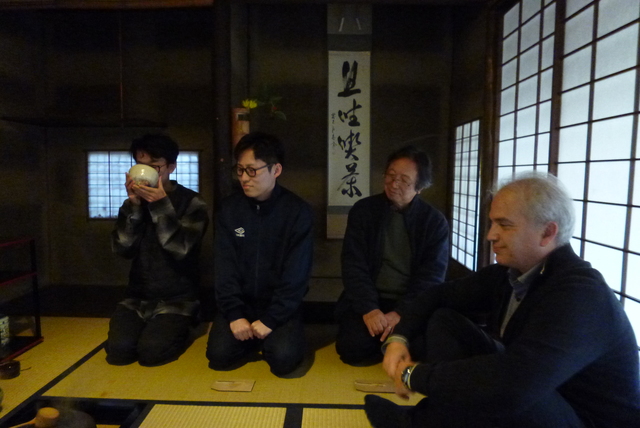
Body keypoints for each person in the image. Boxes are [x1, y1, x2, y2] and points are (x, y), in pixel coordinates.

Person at [365, 172, 640, 428]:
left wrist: (412, 375)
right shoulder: (513, 273)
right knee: (446, 322)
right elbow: (438, 295)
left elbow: (516, 384)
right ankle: (434, 418)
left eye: (504, 225)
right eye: (492, 223)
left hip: (582, 418)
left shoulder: (580, 294)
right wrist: (398, 339)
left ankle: (422, 421)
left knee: (507, 387)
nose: (491, 235)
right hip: (542, 393)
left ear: (547, 232)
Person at [206, 132, 313, 376]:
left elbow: (296, 275)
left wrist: (271, 320)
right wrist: (234, 314)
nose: (244, 178)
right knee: (218, 356)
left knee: (283, 360)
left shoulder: (297, 212)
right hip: (241, 305)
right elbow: (224, 267)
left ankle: (268, 338)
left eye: (252, 170)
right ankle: (252, 337)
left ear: (276, 170)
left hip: (279, 307)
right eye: (240, 170)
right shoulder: (229, 210)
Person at [335, 145, 449, 365]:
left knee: (424, 350)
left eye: (404, 180)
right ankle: (388, 342)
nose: (394, 184)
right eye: (390, 175)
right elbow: (353, 264)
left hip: (410, 302)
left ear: (420, 187)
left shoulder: (433, 222)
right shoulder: (364, 210)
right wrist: (369, 309)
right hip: (371, 299)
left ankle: (392, 341)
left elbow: (432, 276)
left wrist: (401, 313)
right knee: (352, 349)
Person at [106, 134, 209, 366]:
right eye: (139, 166)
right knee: (119, 352)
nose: (144, 173)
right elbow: (122, 249)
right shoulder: (133, 203)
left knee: (152, 353)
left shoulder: (192, 203)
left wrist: (161, 204)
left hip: (178, 299)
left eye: (154, 167)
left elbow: (180, 249)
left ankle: (185, 326)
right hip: (137, 297)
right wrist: (133, 206)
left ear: (171, 167)